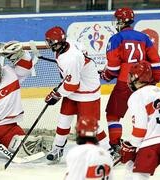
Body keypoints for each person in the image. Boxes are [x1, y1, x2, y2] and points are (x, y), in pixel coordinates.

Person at [0, 41, 51, 157]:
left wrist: (21, 54)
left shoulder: (11, 73)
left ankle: (38, 143)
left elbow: (26, 67)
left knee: (23, 151)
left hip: (9, 127)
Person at [99, 7, 160, 157]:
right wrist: (154, 81)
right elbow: (156, 61)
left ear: (121, 21)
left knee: (113, 115)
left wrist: (107, 75)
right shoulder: (144, 37)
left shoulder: (116, 38)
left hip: (125, 82)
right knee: (146, 114)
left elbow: (113, 67)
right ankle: (151, 142)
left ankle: (115, 146)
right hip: (144, 83)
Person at [44, 26, 111, 163]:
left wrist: (56, 94)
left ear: (58, 42)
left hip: (87, 91)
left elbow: (73, 85)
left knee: (90, 125)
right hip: (74, 87)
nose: (49, 44)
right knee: (64, 119)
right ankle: (58, 148)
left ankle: (108, 150)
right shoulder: (68, 43)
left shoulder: (70, 59)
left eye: (50, 42)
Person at [119, 61, 160, 179]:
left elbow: (140, 128)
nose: (129, 79)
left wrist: (132, 145)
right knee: (131, 167)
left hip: (152, 144)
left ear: (138, 78)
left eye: (131, 75)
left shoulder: (137, 96)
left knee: (139, 176)